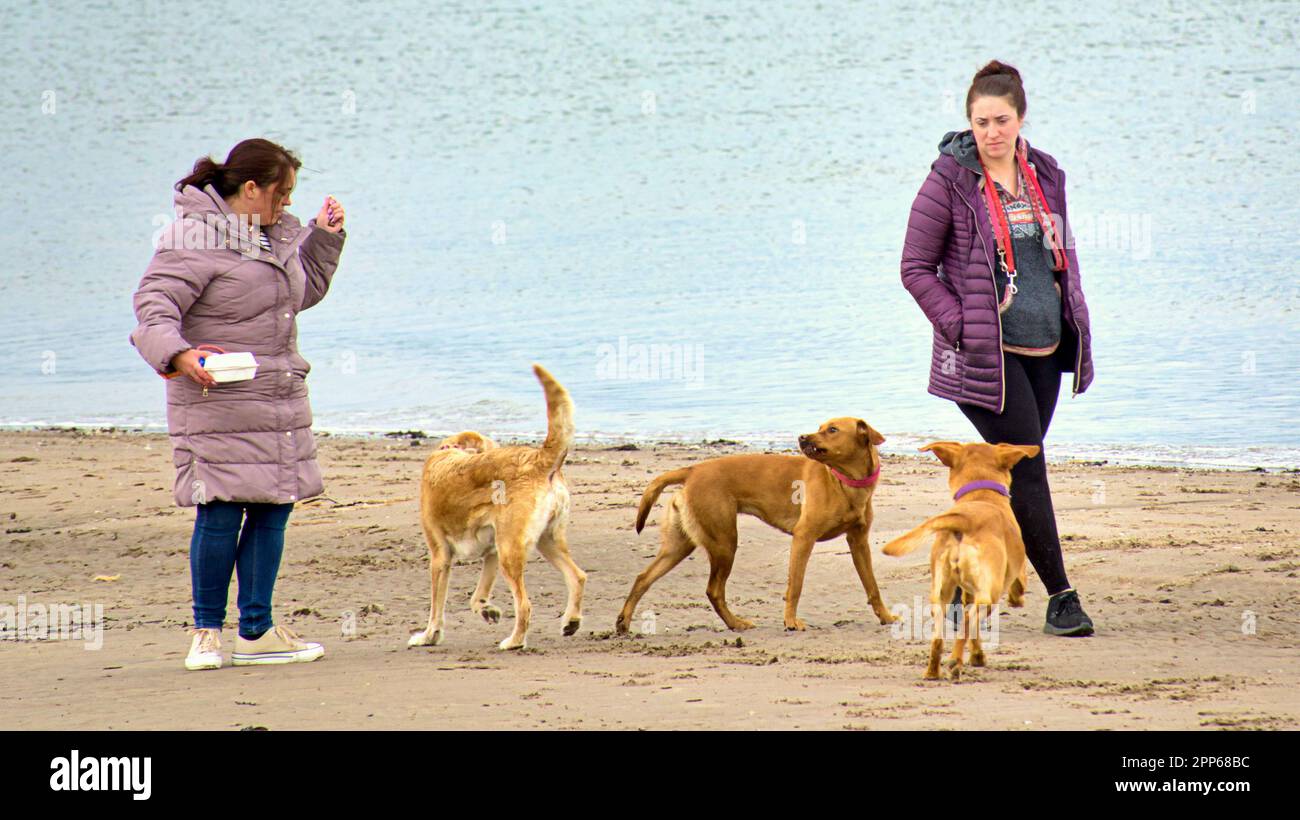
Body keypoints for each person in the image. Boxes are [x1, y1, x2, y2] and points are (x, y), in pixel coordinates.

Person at [130, 138, 347, 669]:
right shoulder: (192, 237)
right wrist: (177, 356)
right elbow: (153, 308)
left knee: (274, 508)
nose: (288, 205)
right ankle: (206, 634)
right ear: (250, 188)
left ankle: (257, 631)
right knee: (221, 509)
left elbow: (298, 295)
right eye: (282, 193)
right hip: (214, 394)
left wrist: (325, 239)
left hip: (275, 393)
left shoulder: (272, 235)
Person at [901, 61, 1095, 636]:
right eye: (981, 121)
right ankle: (1062, 599)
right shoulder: (949, 180)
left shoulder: (1047, 173)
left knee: (1007, 472)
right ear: (969, 121)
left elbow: (1059, 259)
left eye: (1001, 120)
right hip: (985, 355)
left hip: (1046, 346)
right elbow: (915, 268)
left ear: (1020, 118)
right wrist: (961, 327)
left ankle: (961, 580)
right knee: (1028, 468)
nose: (992, 132)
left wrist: (1075, 321)